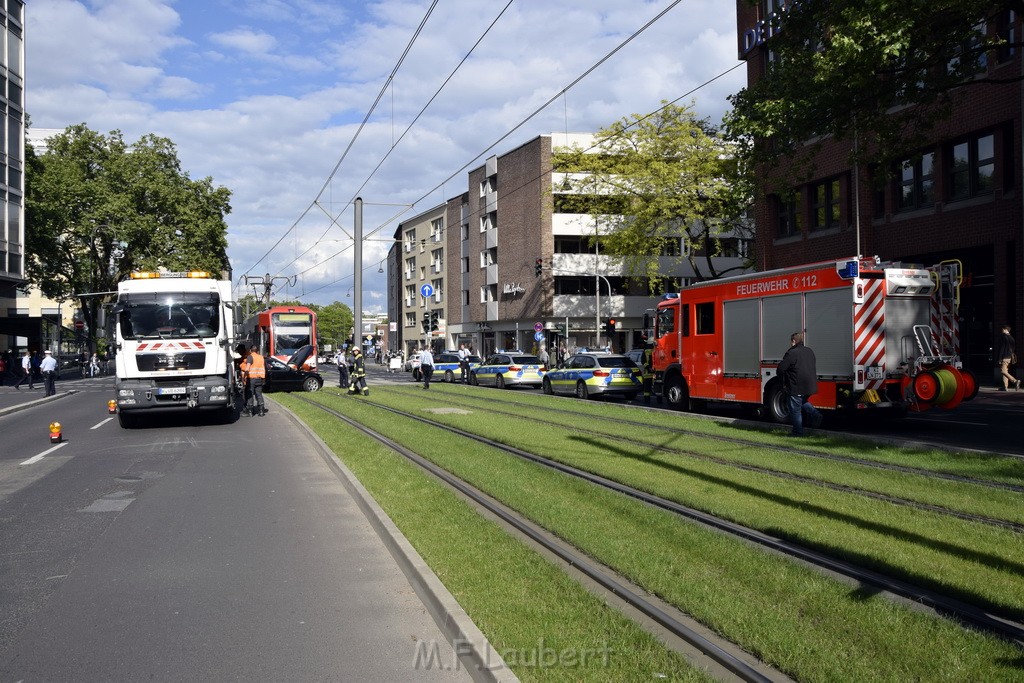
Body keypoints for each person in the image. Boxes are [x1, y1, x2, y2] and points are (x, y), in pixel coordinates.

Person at [777, 331, 823, 436]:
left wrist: (782, 382)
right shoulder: (809, 351)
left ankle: (797, 432)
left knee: (795, 409)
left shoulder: (792, 353)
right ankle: (816, 415)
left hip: (796, 386)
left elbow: (781, 368)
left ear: (793, 341)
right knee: (802, 402)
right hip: (810, 386)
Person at [241, 343, 267, 416]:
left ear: (250, 350)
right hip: (260, 379)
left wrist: (244, 378)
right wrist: (263, 379)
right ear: (257, 351)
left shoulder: (250, 357)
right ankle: (261, 411)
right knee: (259, 394)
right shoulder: (261, 357)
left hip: (251, 379)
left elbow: (247, 368)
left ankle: (250, 412)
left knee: (250, 395)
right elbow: (264, 368)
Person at [996, 324, 1019, 391]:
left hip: (1004, 356)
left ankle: (1015, 381)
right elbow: (1013, 348)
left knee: (1003, 371)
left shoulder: (1004, 337)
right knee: (1005, 370)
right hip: (1009, 357)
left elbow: (1002, 348)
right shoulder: (1012, 338)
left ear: (1005, 329)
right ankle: (1005, 387)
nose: (1001, 330)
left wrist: (1000, 358)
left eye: (1002, 329)